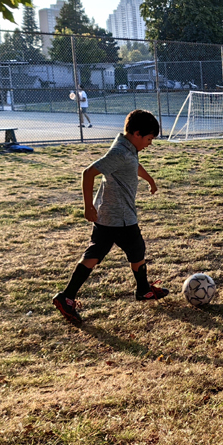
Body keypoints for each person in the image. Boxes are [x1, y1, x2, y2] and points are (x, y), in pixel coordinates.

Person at [52, 110, 168, 326]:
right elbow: (88, 173)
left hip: (107, 214)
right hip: (119, 216)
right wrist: (87, 207)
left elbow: (134, 165)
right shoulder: (120, 152)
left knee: (96, 253)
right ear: (137, 133)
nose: (150, 144)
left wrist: (150, 180)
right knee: (137, 249)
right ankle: (143, 290)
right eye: (149, 139)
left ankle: (66, 297)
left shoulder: (128, 147)